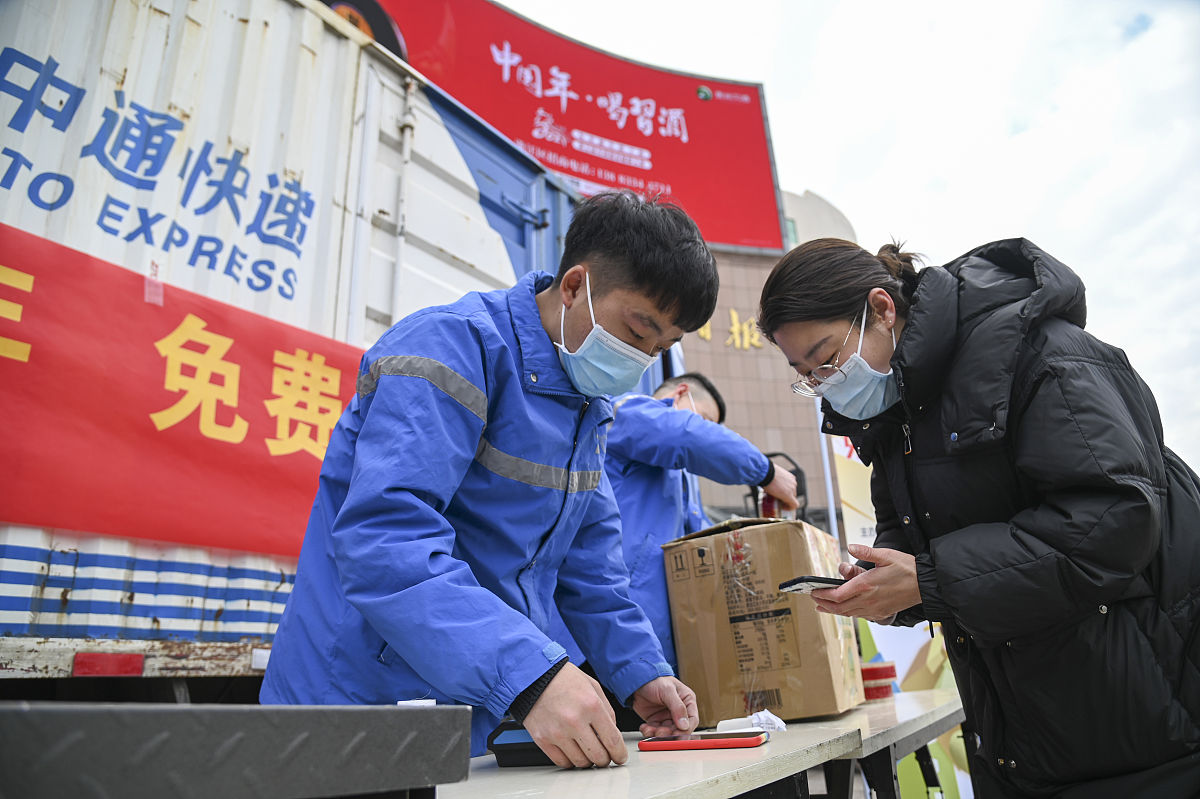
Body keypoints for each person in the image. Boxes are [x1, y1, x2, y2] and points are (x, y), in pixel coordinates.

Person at [261, 191, 717, 769]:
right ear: (575, 286)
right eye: (636, 330)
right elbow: (387, 540)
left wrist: (640, 672)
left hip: (469, 703)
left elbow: (590, 570)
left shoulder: (587, 406)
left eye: (660, 347)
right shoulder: (448, 348)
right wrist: (532, 676)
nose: (640, 358)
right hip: (354, 698)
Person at [756, 237, 1200, 798]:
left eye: (826, 359)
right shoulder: (895, 414)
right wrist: (886, 587)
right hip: (1016, 740)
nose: (826, 383)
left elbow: (1113, 520)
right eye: (808, 376)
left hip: (1140, 729)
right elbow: (922, 547)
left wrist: (930, 580)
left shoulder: (1042, 354)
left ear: (882, 309)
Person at [604, 372, 799, 673]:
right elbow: (687, 434)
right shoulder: (628, 410)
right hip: (609, 619)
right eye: (706, 419)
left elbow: (702, 537)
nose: (707, 430)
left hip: (642, 634)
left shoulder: (672, 478)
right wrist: (767, 472)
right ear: (681, 392)